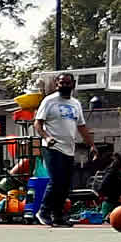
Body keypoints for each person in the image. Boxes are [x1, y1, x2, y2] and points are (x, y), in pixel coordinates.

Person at [34, 73, 96, 227]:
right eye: (61, 83)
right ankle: (43, 211)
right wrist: (47, 138)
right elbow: (37, 124)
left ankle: (58, 216)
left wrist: (92, 145)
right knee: (56, 181)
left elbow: (81, 126)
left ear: (73, 84)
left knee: (66, 184)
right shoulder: (49, 101)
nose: (65, 85)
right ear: (56, 84)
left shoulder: (76, 104)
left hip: (69, 148)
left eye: (68, 83)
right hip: (52, 146)